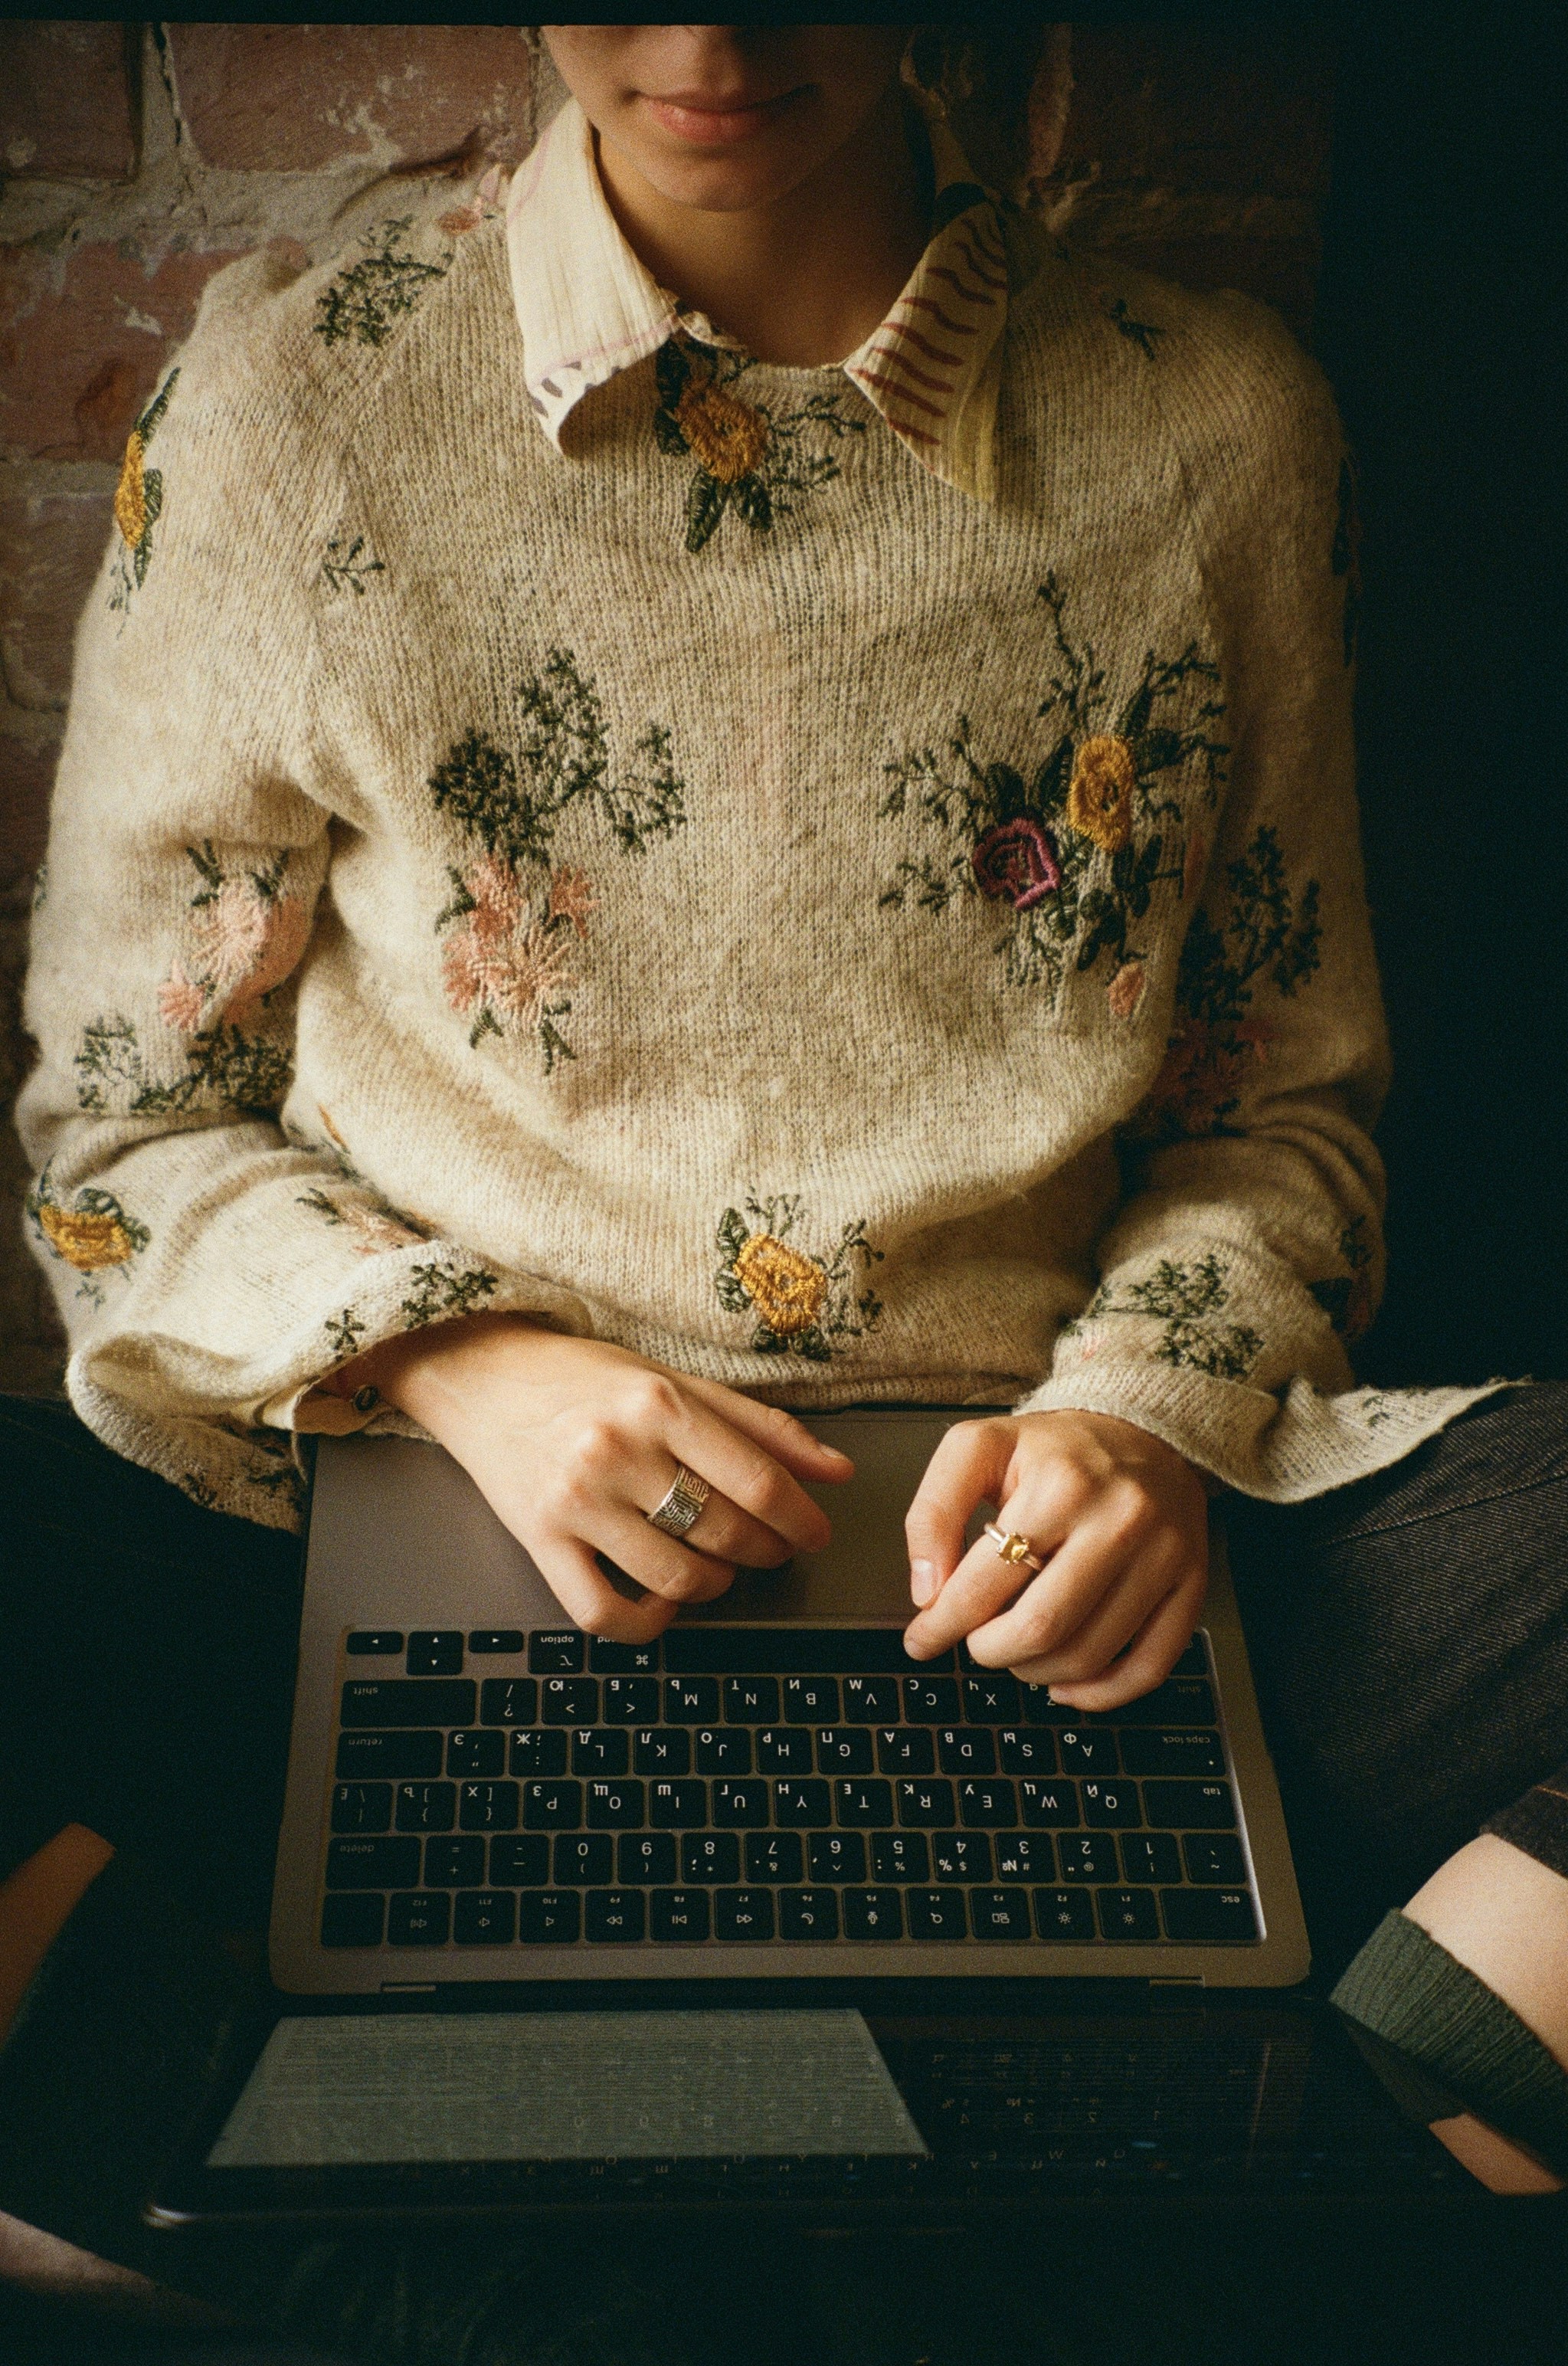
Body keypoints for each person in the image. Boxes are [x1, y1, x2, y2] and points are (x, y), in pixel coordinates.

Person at [2, 34, 1566, 2345]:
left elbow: (1282, 1107)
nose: (710, 41)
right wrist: (465, 1362)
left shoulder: (1214, 418)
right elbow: (124, 1125)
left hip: (1036, 1568)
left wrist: (1141, 1417)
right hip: (421, 1511)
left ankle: (1336, 2174)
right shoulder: (295, 394)